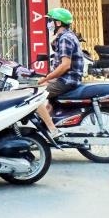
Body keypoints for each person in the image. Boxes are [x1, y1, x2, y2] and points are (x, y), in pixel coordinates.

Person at [35, 8, 83, 137]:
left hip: (67, 80)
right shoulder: (65, 36)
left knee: (35, 96)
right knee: (43, 94)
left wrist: (46, 78)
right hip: (66, 78)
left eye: (50, 20)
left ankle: (52, 130)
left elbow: (65, 66)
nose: (48, 24)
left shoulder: (65, 38)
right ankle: (51, 120)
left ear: (58, 23)